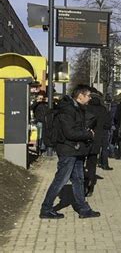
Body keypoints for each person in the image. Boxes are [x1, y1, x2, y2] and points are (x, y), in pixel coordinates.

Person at [39, 85, 100, 219]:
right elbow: (70, 133)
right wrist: (88, 134)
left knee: (78, 179)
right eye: (88, 96)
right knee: (61, 179)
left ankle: (83, 208)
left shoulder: (77, 109)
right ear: (80, 96)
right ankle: (46, 208)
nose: (90, 98)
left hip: (76, 150)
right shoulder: (67, 110)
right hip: (68, 150)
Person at [84, 92, 113, 197]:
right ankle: (90, 186)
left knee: (82, 162)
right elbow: (107, 124)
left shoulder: (86, 108)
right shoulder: (103, 109)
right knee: (92, 162)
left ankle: (83, 184)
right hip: (97, 140)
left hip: (85, 139)